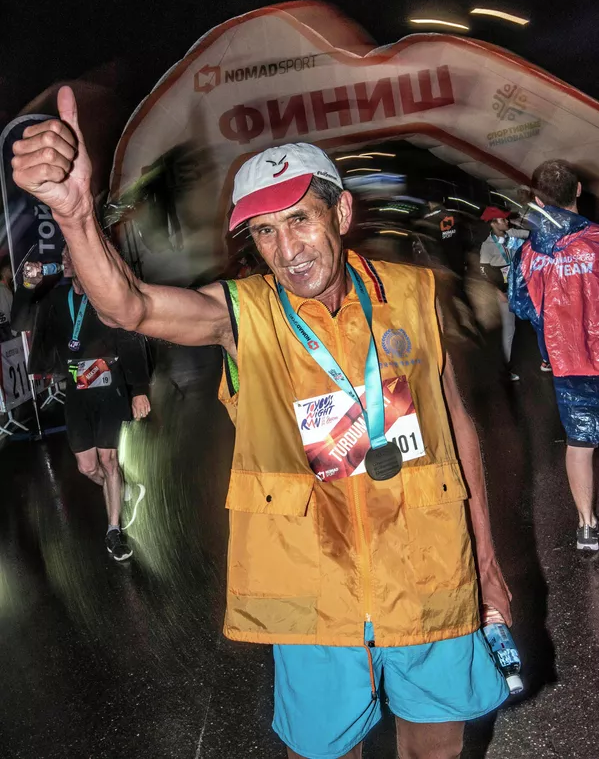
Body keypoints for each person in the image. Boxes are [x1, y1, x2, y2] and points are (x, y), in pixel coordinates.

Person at [11, 87, 512, 759]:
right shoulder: (243, 313)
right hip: (311, 586)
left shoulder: (414, 295)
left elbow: (456, 429)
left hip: (427, 567)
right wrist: (75, 219)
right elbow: (130, 307)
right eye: (265, 231)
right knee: (326, 749)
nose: (287, 248)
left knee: (436, 745)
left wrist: (486, 563)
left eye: (299, 219)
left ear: (340, 212)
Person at [18, 243, 150, 561]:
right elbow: (20, 321)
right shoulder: (56, 300)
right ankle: (120, 489)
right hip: (77, 393)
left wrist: (139, 389)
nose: (65, 259)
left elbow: (130, 338)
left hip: (110, 387)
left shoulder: (107, 297)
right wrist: (27, 286)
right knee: (87, 467)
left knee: (108, 460)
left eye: (71, 254)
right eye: (63, 255)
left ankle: (114, 531)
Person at [510, 159, 599, 552]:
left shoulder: (528, 253)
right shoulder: (596, 239)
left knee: (580, 443)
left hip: (568, 361)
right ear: (578, 190)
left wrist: (551, 330)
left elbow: (522, 305)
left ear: (539, 199)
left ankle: (587, 527)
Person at [479, 207, 531, 380]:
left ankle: (547, 358)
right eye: (503, 220)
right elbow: (484, 270)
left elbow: (530, 234)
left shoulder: (512, 234)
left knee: (536, 319)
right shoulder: (487, 246)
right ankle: (505, 369)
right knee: (509, 328)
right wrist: (497, 290)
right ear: (493, 223)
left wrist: (519, 224)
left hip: (521, 286)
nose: (506, 222)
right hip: (504, 290)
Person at [0, 258, 15, 340]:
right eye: (10, 268)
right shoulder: (2, 289)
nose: (12, 270)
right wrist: (14, 332)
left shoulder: (8, 287)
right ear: (4, 270)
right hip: (8, 333)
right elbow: (5, 311)